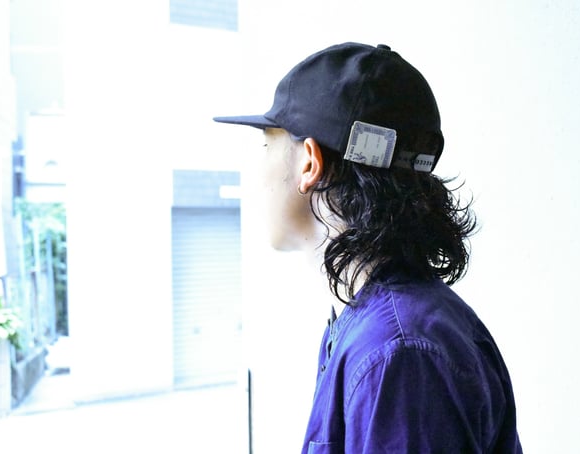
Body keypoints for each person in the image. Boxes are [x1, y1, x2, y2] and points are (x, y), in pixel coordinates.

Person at [214, 42, 522, 453]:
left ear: (309, 162)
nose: (257, 171)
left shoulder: (398, 353)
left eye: (267, 146)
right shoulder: (376, 328)